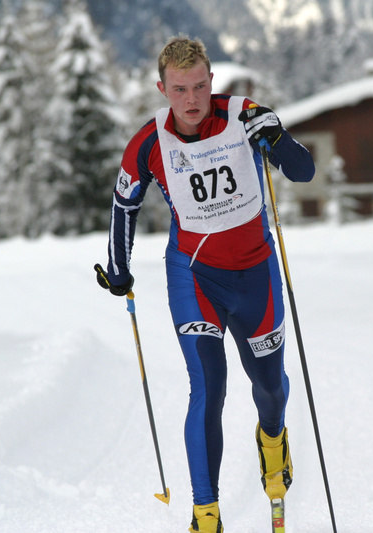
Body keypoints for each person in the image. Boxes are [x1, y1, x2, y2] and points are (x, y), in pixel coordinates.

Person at [95, 36, 315, 532]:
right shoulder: (149, 142)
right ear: (162, 89)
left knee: (270, 389)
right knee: (208, 386)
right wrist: (119, 268)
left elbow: (303, 172)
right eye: (179, 90)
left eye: (199, 87)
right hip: (194, 277)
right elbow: (124, 204)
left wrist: (277, 137)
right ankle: (206, 513)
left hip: (256, 275)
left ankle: (273, 439)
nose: (191, 99)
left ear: (211, 81)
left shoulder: (243, 115)